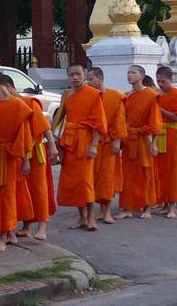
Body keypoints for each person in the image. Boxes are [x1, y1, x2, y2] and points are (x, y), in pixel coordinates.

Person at [0, 70, 33, 252]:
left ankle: (2, 236)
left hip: (11, 158)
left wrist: (26, 159)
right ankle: (10, 231)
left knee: (7, 197)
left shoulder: (18, 105)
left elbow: (25, 135)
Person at [56, 64, 106, 231]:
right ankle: (82, 217)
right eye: (71, 75)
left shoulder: (93, 94)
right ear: (68, 77)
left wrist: (94, 146)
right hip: (70, 143)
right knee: (73, 182)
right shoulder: (69, 96)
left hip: (85, 142)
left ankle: (91, 217)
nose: (75, 77)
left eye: (78, 74)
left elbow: (100, 124)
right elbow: (61, 120)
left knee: (85, 181)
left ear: (84, 75)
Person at [10, 72, 59, 240]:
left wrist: (52, 146)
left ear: (8, 87)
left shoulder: (29, 102)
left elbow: (44, 127)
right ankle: (26, 225)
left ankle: (42, 226)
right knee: (25, 189)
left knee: (39, 188)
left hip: (36, 151)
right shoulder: (8, 104)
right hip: (19, 153)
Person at [116, 65, 163, 220]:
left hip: (143, 140)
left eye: (133, 72)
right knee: (128, 175)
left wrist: (154, 143)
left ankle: (147, 207)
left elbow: (155, 122)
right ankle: (127, 207)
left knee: (145, 173)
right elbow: (122, 120)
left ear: (142, 75)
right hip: (128, 140)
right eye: (128, 72)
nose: (129, 75)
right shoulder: (126, 96)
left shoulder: (150, 95)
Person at [86, 67, 127, 223]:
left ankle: (108, 211)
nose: (88, 82)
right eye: (87, 79)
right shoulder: (89, 96)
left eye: (91, 79)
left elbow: (120, 119)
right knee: (94, 176)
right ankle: (101, 210)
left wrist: (117, 140)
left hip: (109, 141)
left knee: (108, 177)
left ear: (100, 78)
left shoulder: (115, 96)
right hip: (93, 141)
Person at [154, 66, 177, 218]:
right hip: (158, 134)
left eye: (164, 81)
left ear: (171, 79)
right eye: (158, 81)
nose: (161, 84)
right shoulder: (157, 95)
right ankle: (165, 203)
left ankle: (173, 205)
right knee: (160, 170)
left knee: (172, 169)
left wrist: (160, 110)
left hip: (172, 133)